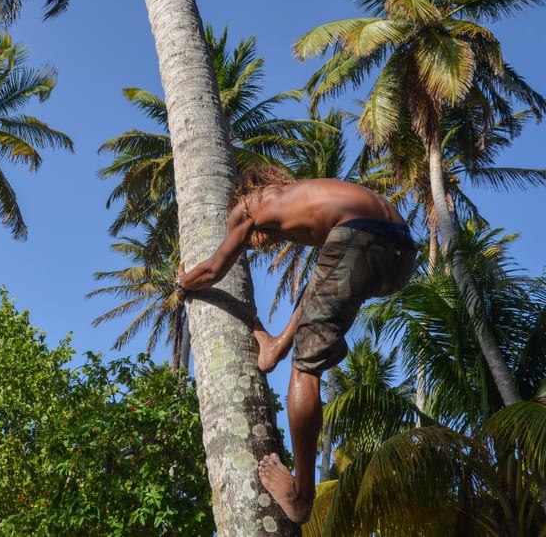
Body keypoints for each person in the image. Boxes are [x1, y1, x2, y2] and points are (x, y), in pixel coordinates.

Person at [175, 166, 417, 524]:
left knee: (307, 369)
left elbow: (214, 268)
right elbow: (324, 283)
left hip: (360, 239)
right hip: (401, 255)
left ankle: (302, 495)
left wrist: (183, 282)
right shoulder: (305, 198)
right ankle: (276, 346)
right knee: (316, 287)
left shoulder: (252, 204)